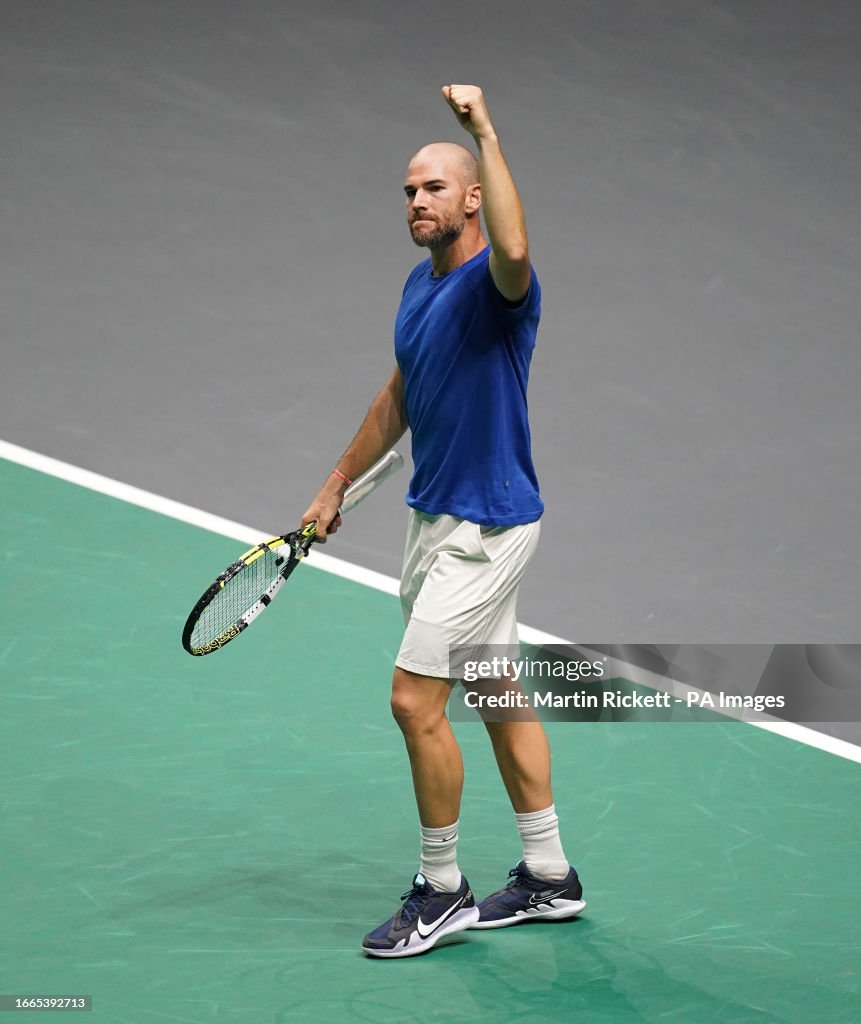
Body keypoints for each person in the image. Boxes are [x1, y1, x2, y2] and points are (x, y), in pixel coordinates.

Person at [301, 84, 585, 959]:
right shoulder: (417, 290)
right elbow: (401, 393)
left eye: (434, 187)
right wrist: (340, 480)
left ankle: (442, 889)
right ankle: (548, 876)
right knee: (495, 689)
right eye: (408, 190)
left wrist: (486, 133)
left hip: (486, 527)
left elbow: (516, 243)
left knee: (413, 698)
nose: (416, 201)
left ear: (470, 196)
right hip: (435, 522)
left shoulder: (500, 290)